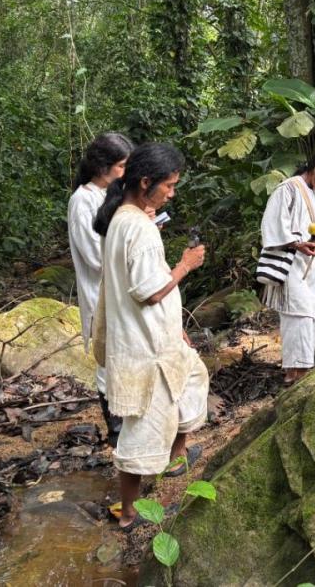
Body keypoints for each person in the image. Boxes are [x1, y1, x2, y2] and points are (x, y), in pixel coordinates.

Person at [92, 143, 209, 530]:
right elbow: (150, 290)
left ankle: (175, 457)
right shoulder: (137, 228)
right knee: (139, 433)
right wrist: (185, 265)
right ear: (146, 183)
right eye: (169, 185)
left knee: (193, 378)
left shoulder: (125, 219)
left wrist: (177, 329)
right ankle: (129, 514)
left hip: (157, 338)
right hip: (145, 348)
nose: (171, 193)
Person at [67, 130, 133, 446]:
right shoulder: (83, 201)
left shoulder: (111, 196)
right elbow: (95, 256)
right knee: (108, 360)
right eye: (121, 166)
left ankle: (128, 425)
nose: (126, 172)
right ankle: (116, 430)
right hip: (100, 294)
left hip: (121, 293)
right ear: (102, 166)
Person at [259, 150, 315, 385]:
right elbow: (273, 224)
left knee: (308, 317)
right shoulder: (288, 189)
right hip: (291, 267)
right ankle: (295, 373)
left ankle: (299, 371)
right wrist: (297, 244)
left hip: (309, 269)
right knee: (297, 317)